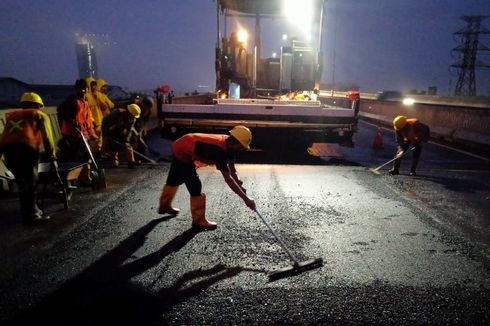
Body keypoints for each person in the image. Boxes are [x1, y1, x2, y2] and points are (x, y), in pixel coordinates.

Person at [158, 125, 256, 230]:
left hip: (185, 143)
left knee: (175, 178)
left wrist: (240, 186)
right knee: (195, 185)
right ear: (234, 141)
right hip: (183, 149)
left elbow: (232, 170)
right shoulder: (219, 151)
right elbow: (228, 179)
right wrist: (246, 199)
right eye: (241, 146)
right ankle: (198, 220)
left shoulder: (230, 146)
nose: (241, 149)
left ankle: (164, 206)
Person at [0, 92, 57, 223]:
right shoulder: (39, 115)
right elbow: (47, 137)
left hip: (9, 151)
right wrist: (52, 157)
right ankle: (32, 216)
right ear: (39, 105)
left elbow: (3, 137)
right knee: (31, 182)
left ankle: (31, 211)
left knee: (21, 183)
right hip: (26, 150)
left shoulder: (12, 116)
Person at [57, 79, 97, 186]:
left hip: (82, 134)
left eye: (85, 88)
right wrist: (73, 122)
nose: (83, 90)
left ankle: (82, 178)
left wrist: (91, 133)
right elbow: (61, 112)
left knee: (84, 155)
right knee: (77, 157)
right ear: (76, 89)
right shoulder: (72, 101)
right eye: (80, 88)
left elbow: (88, 120)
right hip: (71, 134)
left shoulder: (85, 102)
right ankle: (79, 178)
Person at [101, 103, 141, 168]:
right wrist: (107, 135)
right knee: (112, 145)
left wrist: (126, 140)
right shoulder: (115, 114)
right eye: (132, 116)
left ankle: (131, 161)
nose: (132, 118)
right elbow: (106, 125)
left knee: (127, 145)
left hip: (121, 128)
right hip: (109, 127)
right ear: (128, 112)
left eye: (133, 116)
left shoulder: (133, 119)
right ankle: (114, 161)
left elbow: (129, 131)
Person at [85, 76, 104, 154]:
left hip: (100, 119)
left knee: (100, 137)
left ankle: (98, 151)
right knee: (93, 138)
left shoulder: (97, 95)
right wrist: (92, 120)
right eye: (92, 84)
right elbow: (87, 110)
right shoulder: (86, 96)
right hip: (93, 120)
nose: (94, 86)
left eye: (95, 84)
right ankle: (93, 153)